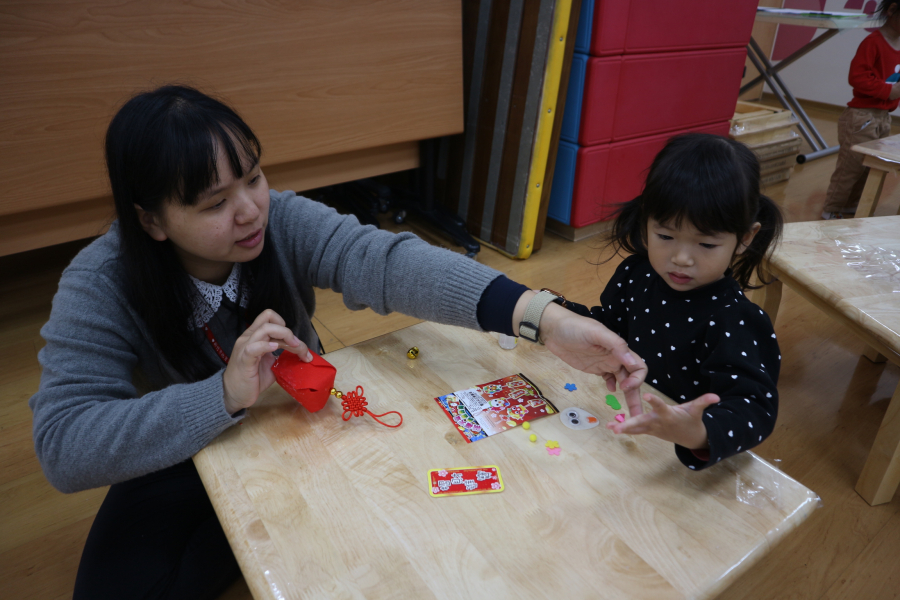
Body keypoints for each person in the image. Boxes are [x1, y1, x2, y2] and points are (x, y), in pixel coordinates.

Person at [28, 85, 647, 599]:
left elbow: (385, 261)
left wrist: (544, 316)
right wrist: (220, 394)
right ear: (151, 220)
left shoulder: (282, 220)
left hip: (295, 429)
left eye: (254, 176)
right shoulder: (100, 281)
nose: (250, 211)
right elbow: (63, 443)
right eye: (216, 201)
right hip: (178, 449)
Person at [585, 133, 784, 471]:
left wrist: (699, 433)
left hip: (685, 457)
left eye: (706, 245)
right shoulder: (636, 272)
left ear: (744, 239)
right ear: (647, 220)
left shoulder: (735, 319)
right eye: (665, 236)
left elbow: (754, 409)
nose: (681, 258)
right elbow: (610, 326)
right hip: (620, 432)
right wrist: (557, 314)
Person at [822, 0, 900, 220]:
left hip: (883, 117)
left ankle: (852, 207)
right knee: (851, 167)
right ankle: (832, 209)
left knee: (870, 167)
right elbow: (857, 78)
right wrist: (888, 91)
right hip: (861, 117)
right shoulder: (873, 42)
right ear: (892, 10)